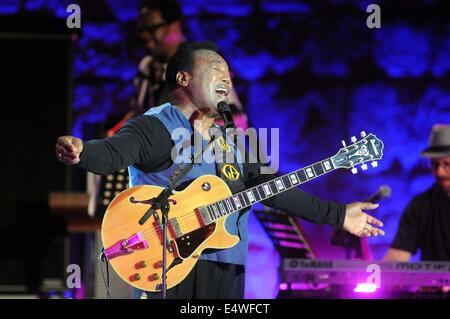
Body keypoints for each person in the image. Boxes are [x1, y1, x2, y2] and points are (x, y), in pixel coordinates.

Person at [56, 41, 384, 299]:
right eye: (215, 69)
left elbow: (274, 189)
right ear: (183, 78)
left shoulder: (234, 140)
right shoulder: (156, 127)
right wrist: (82, 152)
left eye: (228, 73)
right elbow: (113, 153)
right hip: (171, 264)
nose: (226, 78)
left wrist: (339, 215)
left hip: (228, 267)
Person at [108, 0, 247, 136]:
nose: (144, 35)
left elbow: (236, 122)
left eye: (151, 28)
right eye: (141, 29)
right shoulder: (146, 67)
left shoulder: (200, 65)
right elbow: (139, 113)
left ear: (175, 26)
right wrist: (114, 135)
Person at [384, 124, 450, 262]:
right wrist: (370, 273)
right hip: (432, 284)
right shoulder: (420, 205)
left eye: (447, 164)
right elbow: (397, 258)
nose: (440, 172)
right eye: (434, 164)